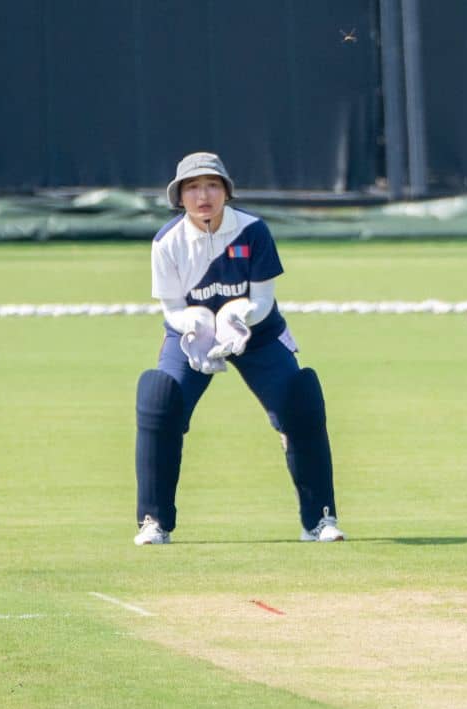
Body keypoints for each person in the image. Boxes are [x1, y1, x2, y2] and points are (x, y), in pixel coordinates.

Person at [132, 151, 344, 545]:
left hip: (257, 333)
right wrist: (192, 322)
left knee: (299, 402)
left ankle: (319, 520)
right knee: (159, 400)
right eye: (193, 188)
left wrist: (240, 315)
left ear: (226, 191)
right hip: (192, 336)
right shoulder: (167, 241)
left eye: (212, 185)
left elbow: (263, 299)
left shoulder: (253, 230)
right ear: (179, 196)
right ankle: (153, 522)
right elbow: (172, 309)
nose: (203, 196)